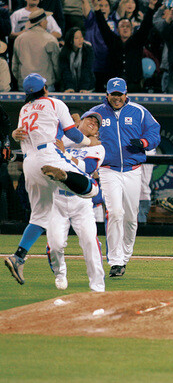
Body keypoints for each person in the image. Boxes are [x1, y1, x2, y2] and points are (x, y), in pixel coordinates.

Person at [4, 73, 101, 285]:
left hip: (29, 163)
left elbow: (22, 134)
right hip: (49, 155)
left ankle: (18, 256)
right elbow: (73, 135)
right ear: (45, 88)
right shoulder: (54, 102)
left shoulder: (24, 109)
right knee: (92, 189)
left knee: (40, 217)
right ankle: (65, 175)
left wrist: (13, 135)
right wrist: (88, 142)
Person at [89, 77, 161, 277]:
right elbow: (83, 132)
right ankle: (115, 261)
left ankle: (125, 255)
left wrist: (145, 142)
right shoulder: (96, 113)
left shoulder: (139, 111)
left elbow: (155, 132)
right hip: (108, 169)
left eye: (120, 94)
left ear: (126, 94)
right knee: (115, 213)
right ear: (107, 95)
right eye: (113, 94)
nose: (117, 98)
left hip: (132, 169)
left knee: (130, 216)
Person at [46, 111, 106, 292]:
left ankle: (98, 286)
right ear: (79, 122)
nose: (93, 123)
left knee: (90, 242)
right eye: (90, 119)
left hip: (80, 202)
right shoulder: (62, 138)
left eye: (97, 123)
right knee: (55, 245)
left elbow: (88, 167)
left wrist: (64, 154)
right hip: (56, 198)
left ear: (97, 132)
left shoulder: (97, 148)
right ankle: (60, 273)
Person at [94, 0, 159, 92]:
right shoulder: (112, 41)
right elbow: (103, 27)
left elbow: (146, 26)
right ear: (118, 30)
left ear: (132, 29)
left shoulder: (137, 41)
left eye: (128, 26)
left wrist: (151, 6)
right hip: (115, 86)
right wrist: (97, 9)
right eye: (122, 26)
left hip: (134, 84)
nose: (125, 28)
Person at [12, 9, 60, 91]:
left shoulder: (19, 39)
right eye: (45, 19)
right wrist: (57, 80)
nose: (47, 22)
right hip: (46, 86)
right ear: (41, 22)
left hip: (25, 85)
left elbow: (14, 66)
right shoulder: (50, 39)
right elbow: (56, 65)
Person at [58, 26, 95, 92]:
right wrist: (69, 87)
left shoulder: (88, 50)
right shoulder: (64, 52)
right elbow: (65, 71)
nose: (81, 40)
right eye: (76, 38)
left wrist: (84, 87)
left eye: (81, 37)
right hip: (69, 87)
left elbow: (87, 70)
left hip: (87, 86)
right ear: (70, 41)